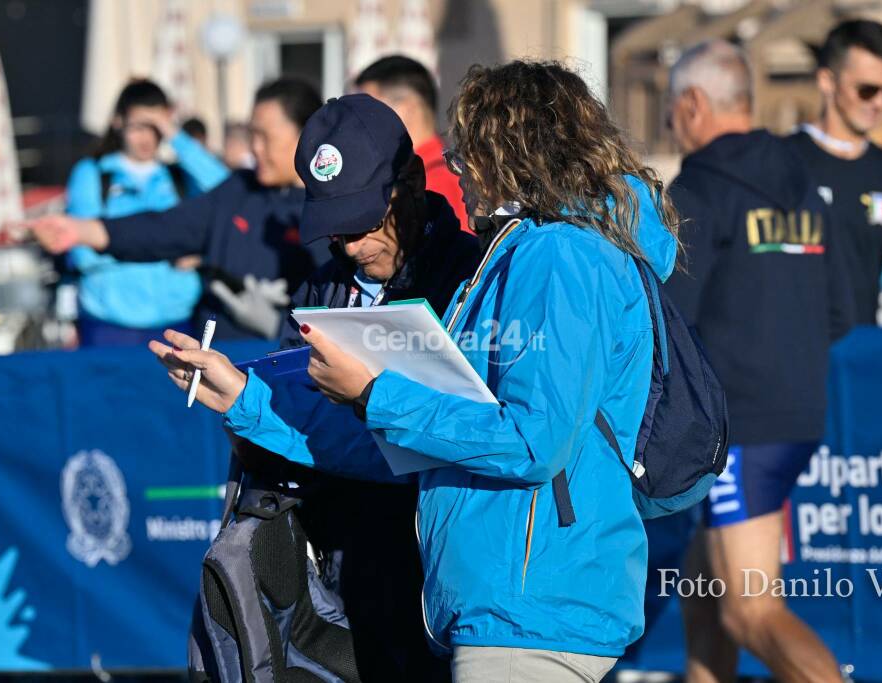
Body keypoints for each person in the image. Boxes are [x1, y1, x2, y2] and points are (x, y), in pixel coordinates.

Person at [152, 60, 679, 683]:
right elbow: (410, 446)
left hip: (527, 602)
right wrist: (247, 401)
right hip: (482, 598)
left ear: (507, 151)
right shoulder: (530, 251)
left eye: (465, 151)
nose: (455, 168)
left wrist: (375, 394)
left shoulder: (554, 254)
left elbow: (532, 441)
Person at [245, 94, 479, 681]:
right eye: (335, 228)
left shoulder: (471, 278)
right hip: (344, 580)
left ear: (413, 186)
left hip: (444, 580)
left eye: (365, 222)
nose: (351, 246)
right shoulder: (325, 287)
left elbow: (489, 435)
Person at [664, 41, 853, 683]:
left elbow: (669, 315)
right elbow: (841, 308)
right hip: (797, 415)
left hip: (741, 427)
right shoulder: (804, 178)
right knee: (703, 596)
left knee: (749, 611)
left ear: (692, 105)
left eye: (670, 111)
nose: (669, 125)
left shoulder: (698, 187)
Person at [31, 78, 329, 341]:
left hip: (288, 372)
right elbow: (163, 229)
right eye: (252, 135)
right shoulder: (239, 190)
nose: (254, 148)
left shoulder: (331, 210)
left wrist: (280, 326)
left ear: (307, 135)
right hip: (219, 362)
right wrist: (84, 230)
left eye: (265, 137)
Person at [787, 19, 882, 326]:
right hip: (786, 360)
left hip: (858, 356)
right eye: (868, 90)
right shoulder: (780, 162)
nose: (880, 103)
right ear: (827, 81)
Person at [64, 79, 228, 346]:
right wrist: (162, 250)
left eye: (156, 128)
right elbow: (82, 252)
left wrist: (176, 137)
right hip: (108, 325)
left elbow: (229, 193)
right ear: (118, 122)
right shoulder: (93, 174)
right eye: (138, 126)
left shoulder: (178, 177)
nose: (147, 138)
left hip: (176, 323)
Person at [355, 55, 469, 232]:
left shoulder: (434, 182)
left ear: (407, 107)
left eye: (368, 110)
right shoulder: (442, 171)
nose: (358, 122)